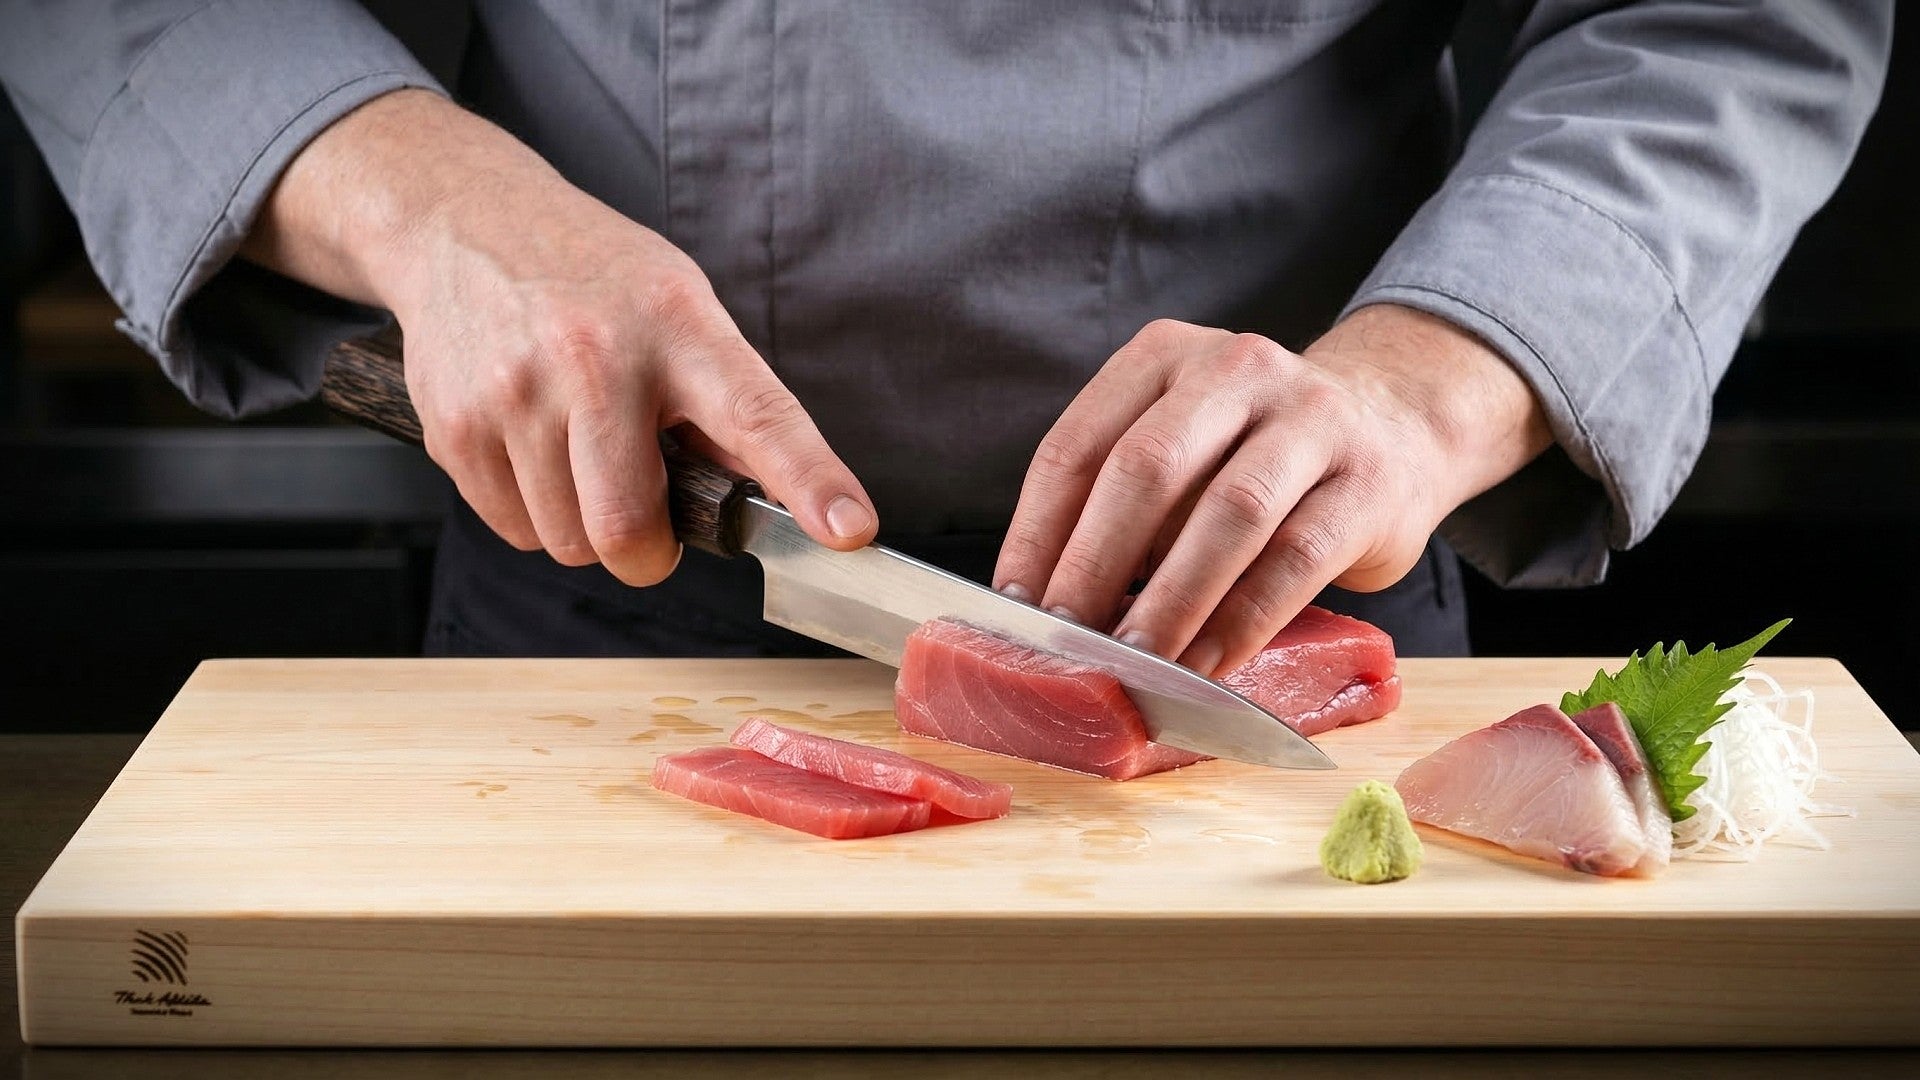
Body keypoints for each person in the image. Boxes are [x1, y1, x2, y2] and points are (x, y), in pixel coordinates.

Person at [0, 2, 1891, 670]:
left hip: (1273, 606)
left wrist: (1433, 373)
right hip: (601, 562)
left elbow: (1732, 13)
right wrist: (413, 194)